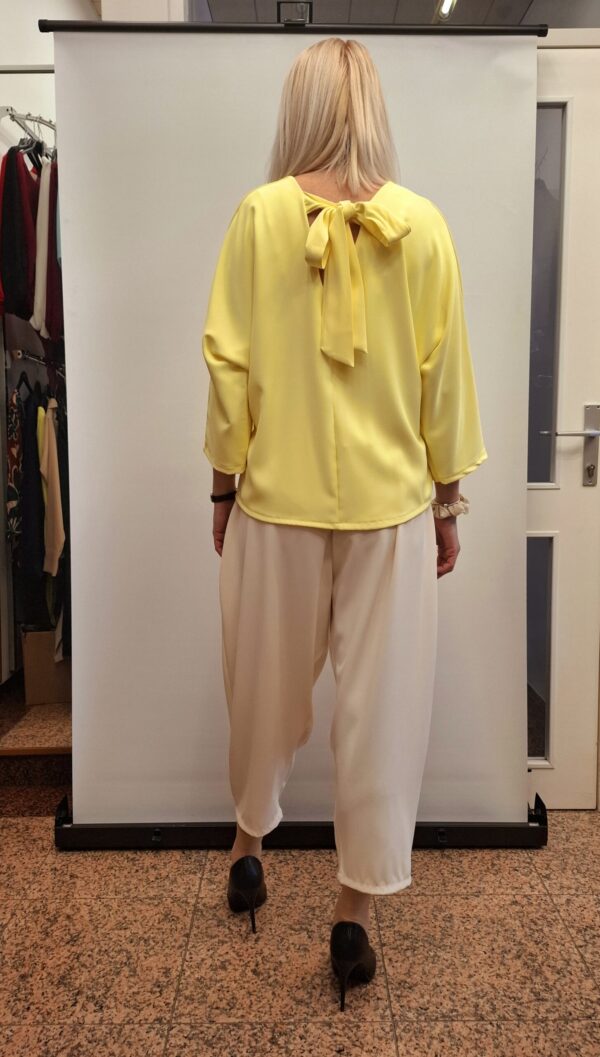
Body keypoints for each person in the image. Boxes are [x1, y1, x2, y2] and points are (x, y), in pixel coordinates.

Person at [201, 37, 488, 1011]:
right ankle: (353, 908)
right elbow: (444, 380)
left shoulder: (258, 217)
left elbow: (227, 363)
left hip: (274, 505)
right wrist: (447, 502)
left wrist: (223, 487)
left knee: (262, 687)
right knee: (382, 712)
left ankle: (248, 843)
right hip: (390, 513)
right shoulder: (425, 227)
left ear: (302, 110)